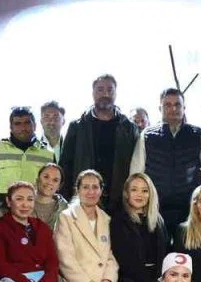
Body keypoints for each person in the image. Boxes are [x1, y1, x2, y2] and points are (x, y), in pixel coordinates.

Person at [130, 87, 201, 230]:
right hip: (155, 210)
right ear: (160, 108)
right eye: (168, 105)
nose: (173, 109)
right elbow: (136, 175)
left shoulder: (197, 134)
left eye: (177, 104)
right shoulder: (147, 136)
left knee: (187, 251)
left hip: (190, 210)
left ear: (184, 108)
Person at [59, 74, 141, 210]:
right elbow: (66, 165)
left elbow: (136, 166)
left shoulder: (129, 128)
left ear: (116, 93)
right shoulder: (78, 127)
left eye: (110, 90)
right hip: (84, 200)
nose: (105, 94)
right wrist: (67, 200)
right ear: (93, 93)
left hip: (119, 202)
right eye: (100, 89)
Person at [0, 106, 56, 197]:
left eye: (27, 123)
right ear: (11, 127)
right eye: (17, 124)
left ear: (35, 125)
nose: (23, 128)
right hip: (3, 208)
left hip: (36, 207)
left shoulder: (48, 154)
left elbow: (54, 185)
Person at [33, 163, 69, 228]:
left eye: (55, 180)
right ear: (37, 179)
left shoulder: (65, 209)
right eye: (46, 177)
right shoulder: (22, 203)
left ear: (59, 186)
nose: (50, 182)